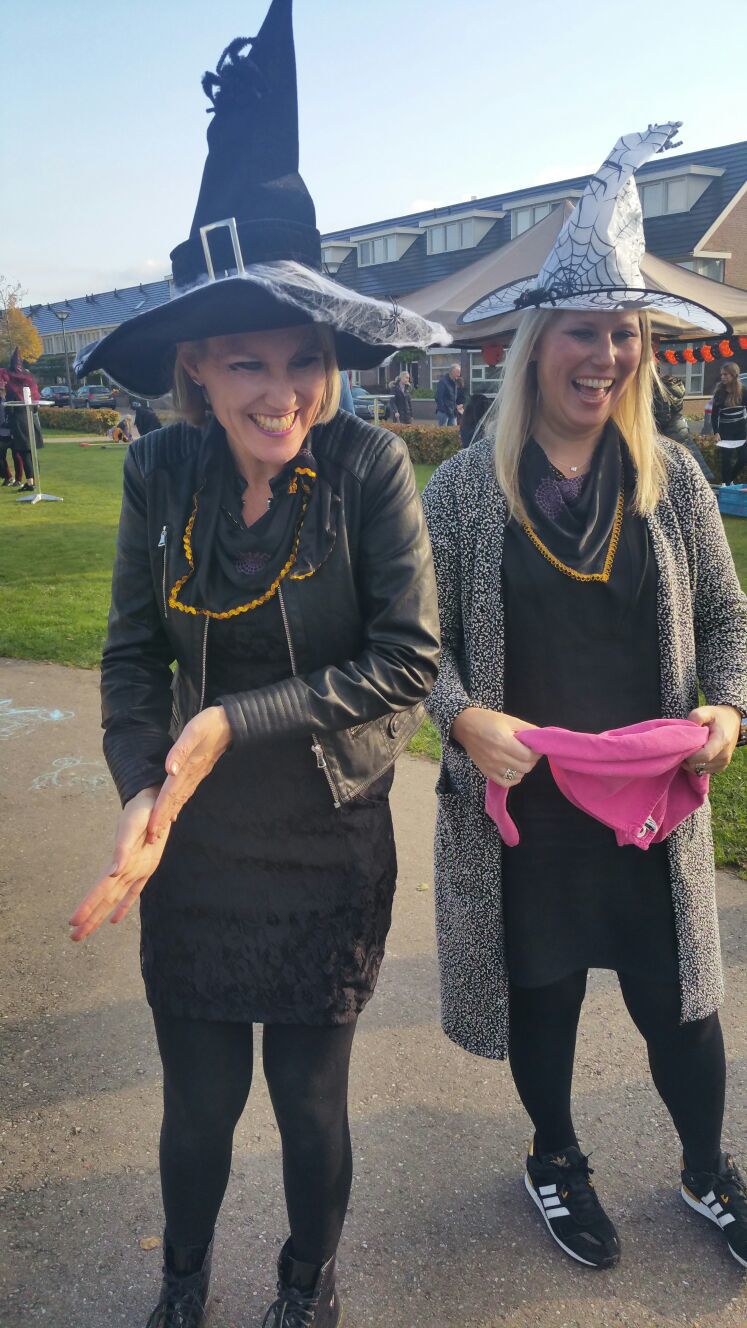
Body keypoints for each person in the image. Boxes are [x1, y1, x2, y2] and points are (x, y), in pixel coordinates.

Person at [67, 5, 444, 1326]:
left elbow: (407, 658)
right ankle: (181, 1289)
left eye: (302, 359)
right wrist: (140, 787)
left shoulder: (368, 465)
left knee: (308, 1101)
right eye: (246, 362)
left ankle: (305, 1288)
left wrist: (234, 718)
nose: (281, 390)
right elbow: (130, 652)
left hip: (327, 839)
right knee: (199, 1103)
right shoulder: (158, 471)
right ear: (195, 365)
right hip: (200, 844)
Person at [424, 123, 747, 1275]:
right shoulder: (465, 491)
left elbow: (728, 621)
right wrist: (463, 716)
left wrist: (729, 709)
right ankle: (555, 1155)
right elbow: (414, 651)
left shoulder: (675, 480)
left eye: (624, 333)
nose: (605, 355)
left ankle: (707, 1168)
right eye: (583, 331)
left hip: (652, 809)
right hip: (530, 814)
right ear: (536, 343)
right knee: (545, 995)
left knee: (682, 1009)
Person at [653, 366, 714, 481]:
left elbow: (662, 417)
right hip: (680, 428)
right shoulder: (669, 388)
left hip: (671, 433)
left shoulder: (658, 391)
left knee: (681, 473)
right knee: (691, 466)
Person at [4, 348, 44, 492]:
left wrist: (8, 417)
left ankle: (30, 482)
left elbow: (10, 404)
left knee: (23, 451)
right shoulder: (29, 377)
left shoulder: (12, 382)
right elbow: (36, 402)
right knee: (31, 451)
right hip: (31, 417)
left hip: (19, 420)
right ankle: (34, 480)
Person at [711, 361, 747, 486]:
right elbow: (714, 414)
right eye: (721, 374)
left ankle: (728, 480)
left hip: (741, 431)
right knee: (727, 459)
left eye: (725, 374)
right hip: (725, 431)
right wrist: (716, 432)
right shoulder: (719, 392)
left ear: (734, 375)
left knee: (743, 458)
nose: (722, 377)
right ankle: (726, 484)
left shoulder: (744, 391)